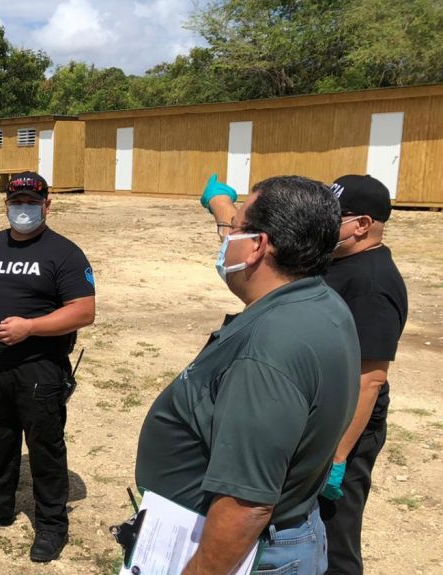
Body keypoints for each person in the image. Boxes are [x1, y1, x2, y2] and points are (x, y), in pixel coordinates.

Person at [138, 175, 360, 574]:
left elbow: (246, 504)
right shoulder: (321, 301)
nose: (227, 239)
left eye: (235, 228)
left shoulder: (268, 351)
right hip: (290, 529)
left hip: (250, 552)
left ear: (258, 245)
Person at [203, 174, 408, 573]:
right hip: (313, 408)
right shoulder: (338, 260)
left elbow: (370, 379)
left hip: (346, 426)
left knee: (336, 531)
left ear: (362, 225)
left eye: (336, 215)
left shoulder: (372, 284)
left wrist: (338, 457)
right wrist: (222, 211)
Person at [0, 172, 96, 563]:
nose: (24, 209)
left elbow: (84, 311)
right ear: (6, 206)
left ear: (47, 206)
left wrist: (31, 327)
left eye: (32, 202)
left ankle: (51, 524)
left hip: (40, 368)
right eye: (17, 203)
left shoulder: (64, 253)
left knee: (45, 448)